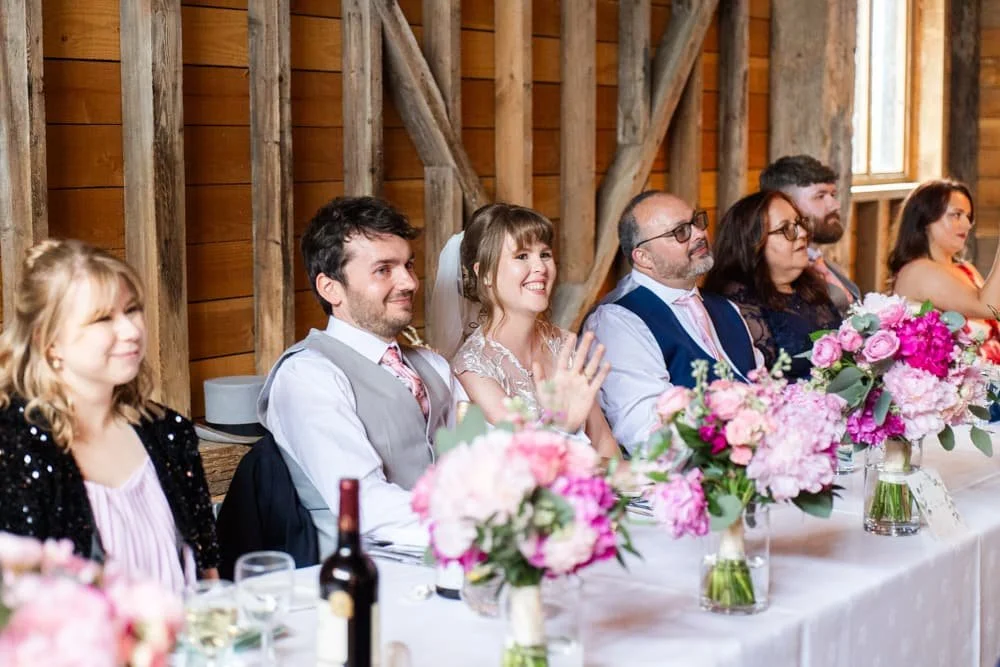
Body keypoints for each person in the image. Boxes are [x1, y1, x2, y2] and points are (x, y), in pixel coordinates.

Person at [0, 240, 219, 591]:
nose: (131, 331)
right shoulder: (14, 447)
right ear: (49, 342)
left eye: (132, 310)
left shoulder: (169, 433)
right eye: (103, 318)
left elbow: (210, 574)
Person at [257, 197, 466, 554]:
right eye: (384, 269)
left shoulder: (434, 367)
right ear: (330, 288)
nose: (409, 282)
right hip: (361, 580)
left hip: (454, 561)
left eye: (408, 265)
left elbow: (480, 456)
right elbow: (365, 506)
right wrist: (477, 528)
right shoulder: (307, 375)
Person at [583, 191, 763, 454]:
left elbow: (764, 387)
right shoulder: (617, 322)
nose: (699, 234)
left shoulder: (726, 309)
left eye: (696, 222)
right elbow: (648, 436)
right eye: (680, 232)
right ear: (643, 257)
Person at [448, 203, 619, 460]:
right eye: (522, 256)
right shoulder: (473, 368)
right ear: (484, 273)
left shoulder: (561, 343)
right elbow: (535, 462)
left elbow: (604, 442)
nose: (540, 267)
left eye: (545, 254)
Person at [703, 190, 842, 379]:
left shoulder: (808, 284)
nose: (802, 233)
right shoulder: (739, 304)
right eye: (786, 229)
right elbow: (758, 382)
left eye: (799, 223)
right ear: (753, 243)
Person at [888, 179, 1000, 364]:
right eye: (956, 215)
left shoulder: (965, 268)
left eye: (968, 217)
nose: (967, 225)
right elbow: (990, 308)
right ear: (925, 221)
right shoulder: (919, 272)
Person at [760, 155, 860, 314]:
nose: (835, 205)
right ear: (786, 204)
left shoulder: (821, 262)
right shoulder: (782, 272)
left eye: (832, 195)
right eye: (820, 196)